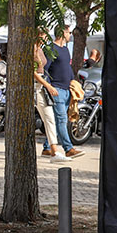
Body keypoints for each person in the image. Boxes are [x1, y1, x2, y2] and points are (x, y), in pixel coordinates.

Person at [43, 27, 84, 158]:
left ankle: (47, 147)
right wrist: (50, 87)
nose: (70, 35)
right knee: (62, 120)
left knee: (56, 120)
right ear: (62, 33)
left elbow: (67, 67)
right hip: (57, 90)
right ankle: (68, 148)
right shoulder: (51, 49)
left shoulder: (65, 50)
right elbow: (45, 69)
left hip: (67, 90)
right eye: (69, 32)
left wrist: (73, 81)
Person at [34, 45, 69, 162]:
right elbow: (32, 72)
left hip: (42, 85)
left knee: (50, 118)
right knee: (48, 118)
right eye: (42, 36)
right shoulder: (31, 48)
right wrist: (48, 86)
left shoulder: (40, 48)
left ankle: (54, 151)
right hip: (35, 85)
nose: (45, 37)